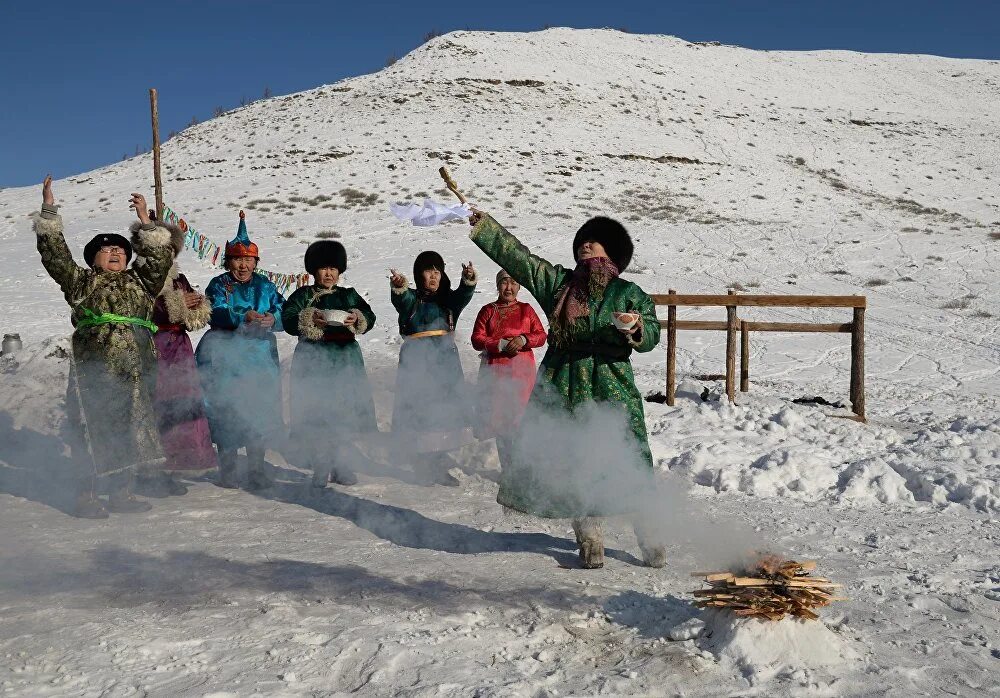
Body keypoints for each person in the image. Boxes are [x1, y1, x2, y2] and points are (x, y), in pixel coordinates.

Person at [467, 210, 665, 569]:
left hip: (612, 384)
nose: (585, 243)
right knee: (574, 459)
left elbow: (651, 333)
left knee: (630, 456)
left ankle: (649, 530)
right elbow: (520, 259)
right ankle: (589, 537)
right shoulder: (559, 285)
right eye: (581, 241)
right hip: (563, 382)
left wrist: (636, 330)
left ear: (613, 252)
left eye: (594, 239)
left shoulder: (628, 293)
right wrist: (487, 227)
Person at [33, 175, 175, 518]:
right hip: (94, 366)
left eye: (120, 250)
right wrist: (49, 211)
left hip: (137, 366)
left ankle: (122, 493)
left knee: (131, 424)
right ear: (93, 258)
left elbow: (158, 259)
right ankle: (86, 495)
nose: (115, 253)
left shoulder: (140, 281)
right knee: (90, 425)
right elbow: (55, 257)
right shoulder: (80, 280)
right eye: (106, 249)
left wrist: (146, 223)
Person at [195, 211, 284, 490]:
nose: (243, 265)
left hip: (258, 356)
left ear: (256, 262)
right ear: (228, 261)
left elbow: (283, 310)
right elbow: (215, 310)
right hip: (224, 355)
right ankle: (228, 470)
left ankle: (257, 468)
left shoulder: (266, 285)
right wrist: (242, 316)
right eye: (237, 259)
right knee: (226, 408)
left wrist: (273, 319)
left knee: (259, 408)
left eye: (248, 260)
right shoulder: (219, 284)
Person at [282, 240, 377, 488]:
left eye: (333, 268)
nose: (328, 273)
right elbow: (289, 319)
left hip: (345, 360)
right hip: (313, 362)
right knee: (317, 415)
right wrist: (308, 318)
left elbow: (370, 316)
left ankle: (341, 465)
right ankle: (320, 465)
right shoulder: (303, 296)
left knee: (343, 416)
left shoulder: (349, 295)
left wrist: (358, 317)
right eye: (323, 268)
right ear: (313, 270)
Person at [134, 218, 217, 496]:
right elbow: (145, 308)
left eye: (170, 247)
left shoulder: (178, 277)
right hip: (152, 344)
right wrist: (177, 305)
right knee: (155, 405)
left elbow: (191, 311)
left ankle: (171, 468)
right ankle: (148, 472)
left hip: (179, 347)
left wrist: (196, 305)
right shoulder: (138, 275)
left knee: (179, 406)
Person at [389, 251, 477, 485]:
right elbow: (401, 299)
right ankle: (421, 464)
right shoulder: (412, 299)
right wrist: (398, 286)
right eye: (429, 271)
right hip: (417, 360)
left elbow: (463, 296)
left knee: (444, 412)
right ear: (419, 275)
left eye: (437, 271)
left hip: (445, 361)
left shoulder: (448, 301)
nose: (434, 276)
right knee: (419, 410)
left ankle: (437, 463)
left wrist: (468, 280)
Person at [470, 270, 547, 469]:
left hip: (523, 373)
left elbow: (541, 335)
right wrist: (500, 344)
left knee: (522, 420)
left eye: (513, 282)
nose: (509, 287)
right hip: (497, 372)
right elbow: (477, 339)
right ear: (497, 286)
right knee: (502, 420)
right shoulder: (488, 311)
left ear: (519, 286)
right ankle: (508, 469)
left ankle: (524, 469)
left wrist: (523, 339)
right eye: (504, 282)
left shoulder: (526, 310)